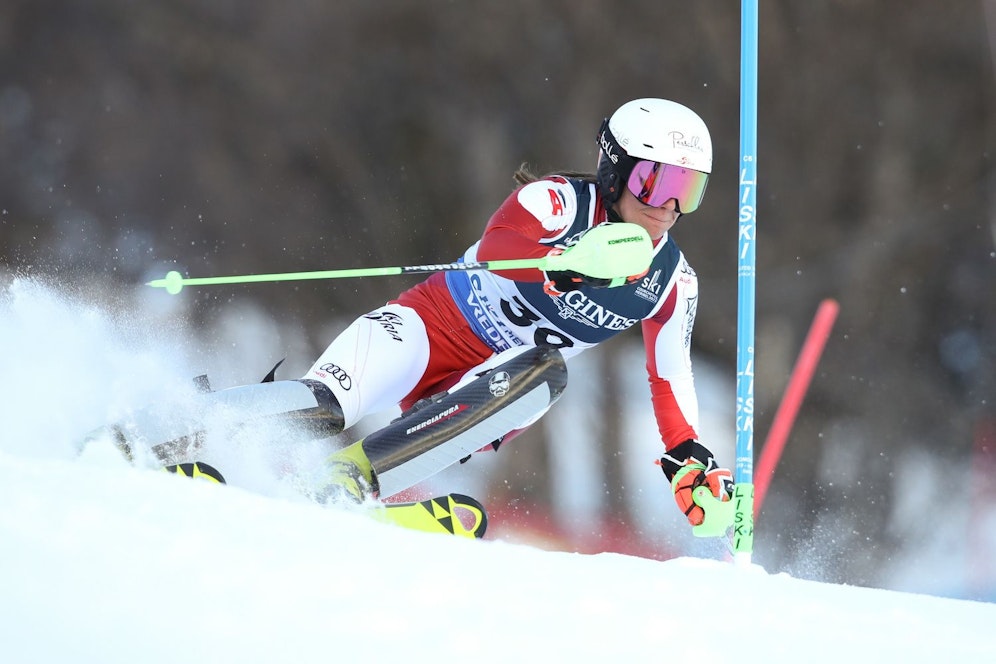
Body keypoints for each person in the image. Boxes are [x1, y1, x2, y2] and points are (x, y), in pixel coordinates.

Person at [113, 98, 735, 534]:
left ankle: (345, 484)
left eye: (690, 188)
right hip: (432, 324)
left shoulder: (672, 282)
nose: (668, 207)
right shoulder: (557, 203)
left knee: (546, 373)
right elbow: (498, 249)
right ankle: (151, 436)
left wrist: (690, 457)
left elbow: (668, 373)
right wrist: (564, 263)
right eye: (656, 182)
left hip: (490, 387)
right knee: (325, 405)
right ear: (617, 171)